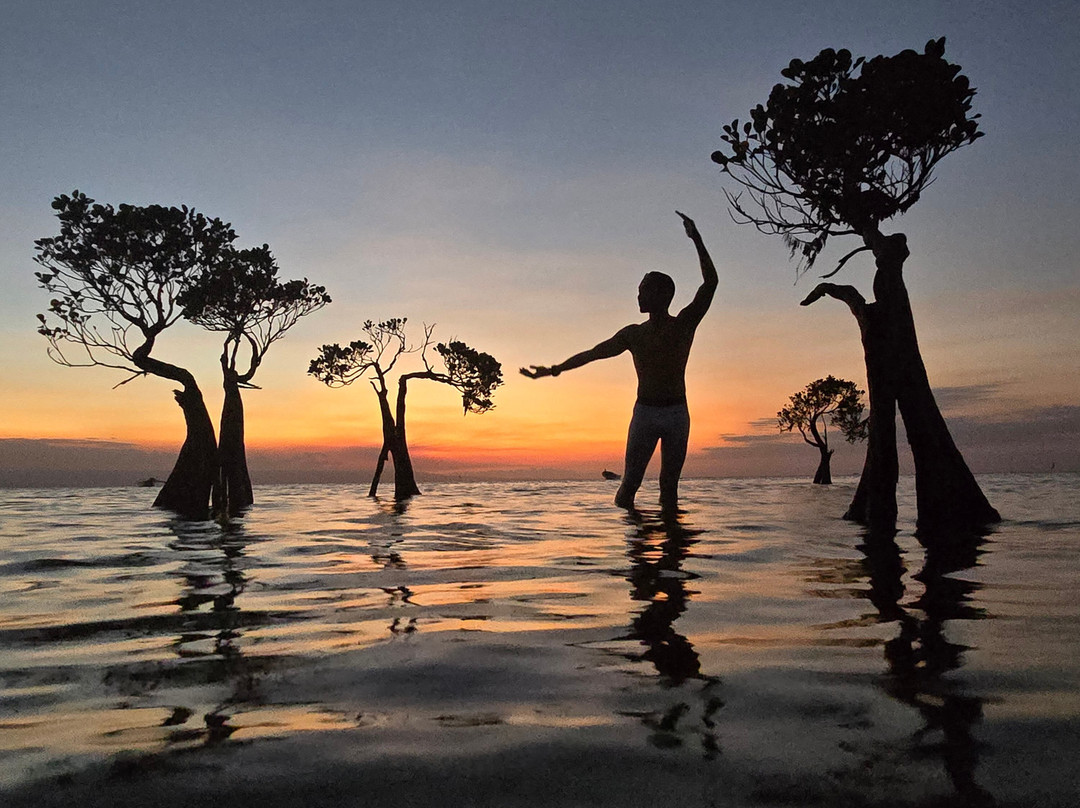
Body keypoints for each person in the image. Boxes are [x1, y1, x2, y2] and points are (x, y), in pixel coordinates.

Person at [520, 212, 718, 511]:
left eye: (643, 290)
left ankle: (671, 554)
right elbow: (594, 353)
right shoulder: (633, 335)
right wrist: (554, 369)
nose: (638, 295)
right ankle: (633, 550)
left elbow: (710, 283)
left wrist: (697, 240)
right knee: (629, 485)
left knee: (669, 488)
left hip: (677, 413)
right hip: (645, 414)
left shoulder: (683, 325)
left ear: (661, 295)